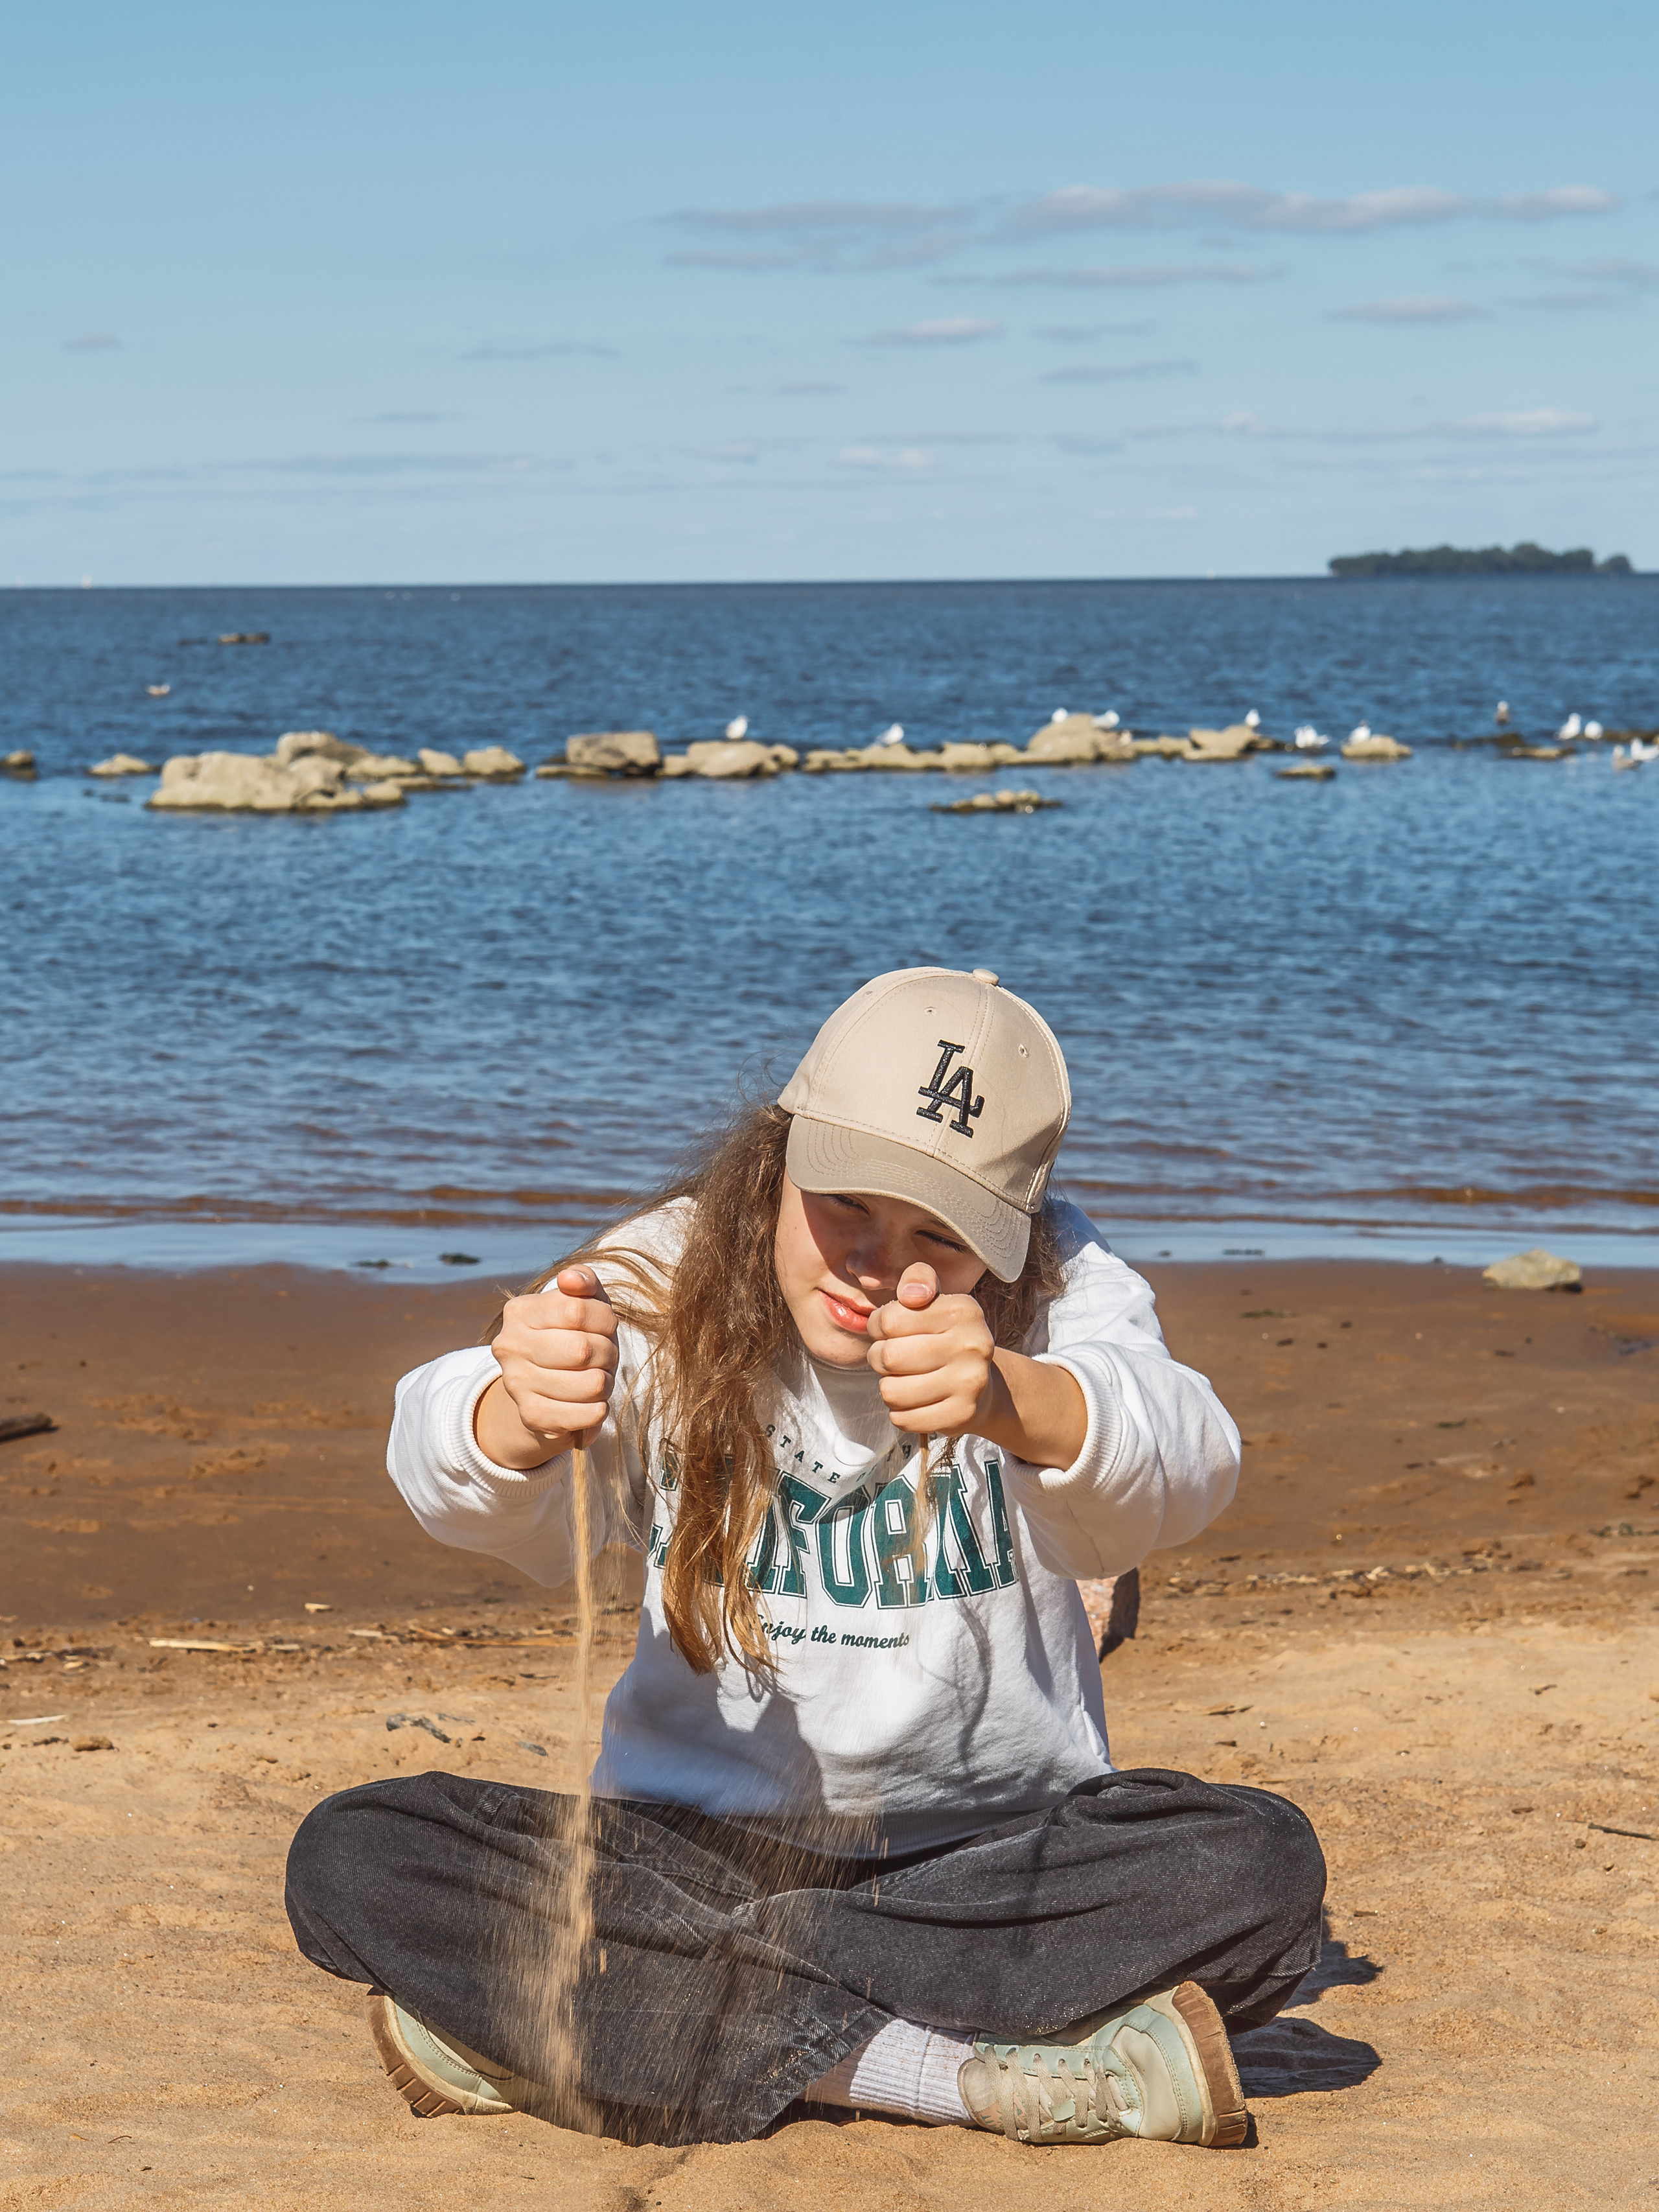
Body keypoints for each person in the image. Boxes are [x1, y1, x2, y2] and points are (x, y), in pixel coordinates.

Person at [286, 966, 1324, 2150]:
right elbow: (451, 1474)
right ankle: (941, 2072)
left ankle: (586, 2020)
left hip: (984, 1864)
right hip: (681, 1849)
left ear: (1014, 1235)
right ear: (779, 1155)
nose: (877, 1265)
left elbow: (1187, 1452)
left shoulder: (1066, 1292)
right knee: (354, 1854)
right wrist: (509, 1411)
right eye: (848, 1205)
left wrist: (1014, 1401)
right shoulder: (664, 1270)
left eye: (941, 1233)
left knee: (1260, 1871)